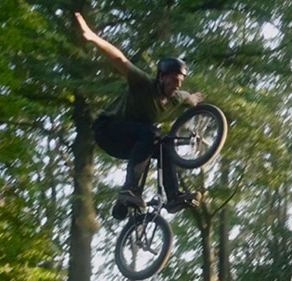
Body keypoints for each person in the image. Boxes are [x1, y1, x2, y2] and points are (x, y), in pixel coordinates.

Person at [75, 12, 205, 220]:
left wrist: (195, 98)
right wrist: (92, 37)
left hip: (131, 141)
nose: (177, 85)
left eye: (180, 82)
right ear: (162, 77)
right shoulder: (143, 84)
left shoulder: (175, 97)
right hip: (108, 130)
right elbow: (119, 59)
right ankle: (130, 190)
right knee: (152, 133)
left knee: (164, 144)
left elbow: (188, 97)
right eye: (174, 80)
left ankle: (172, 197)